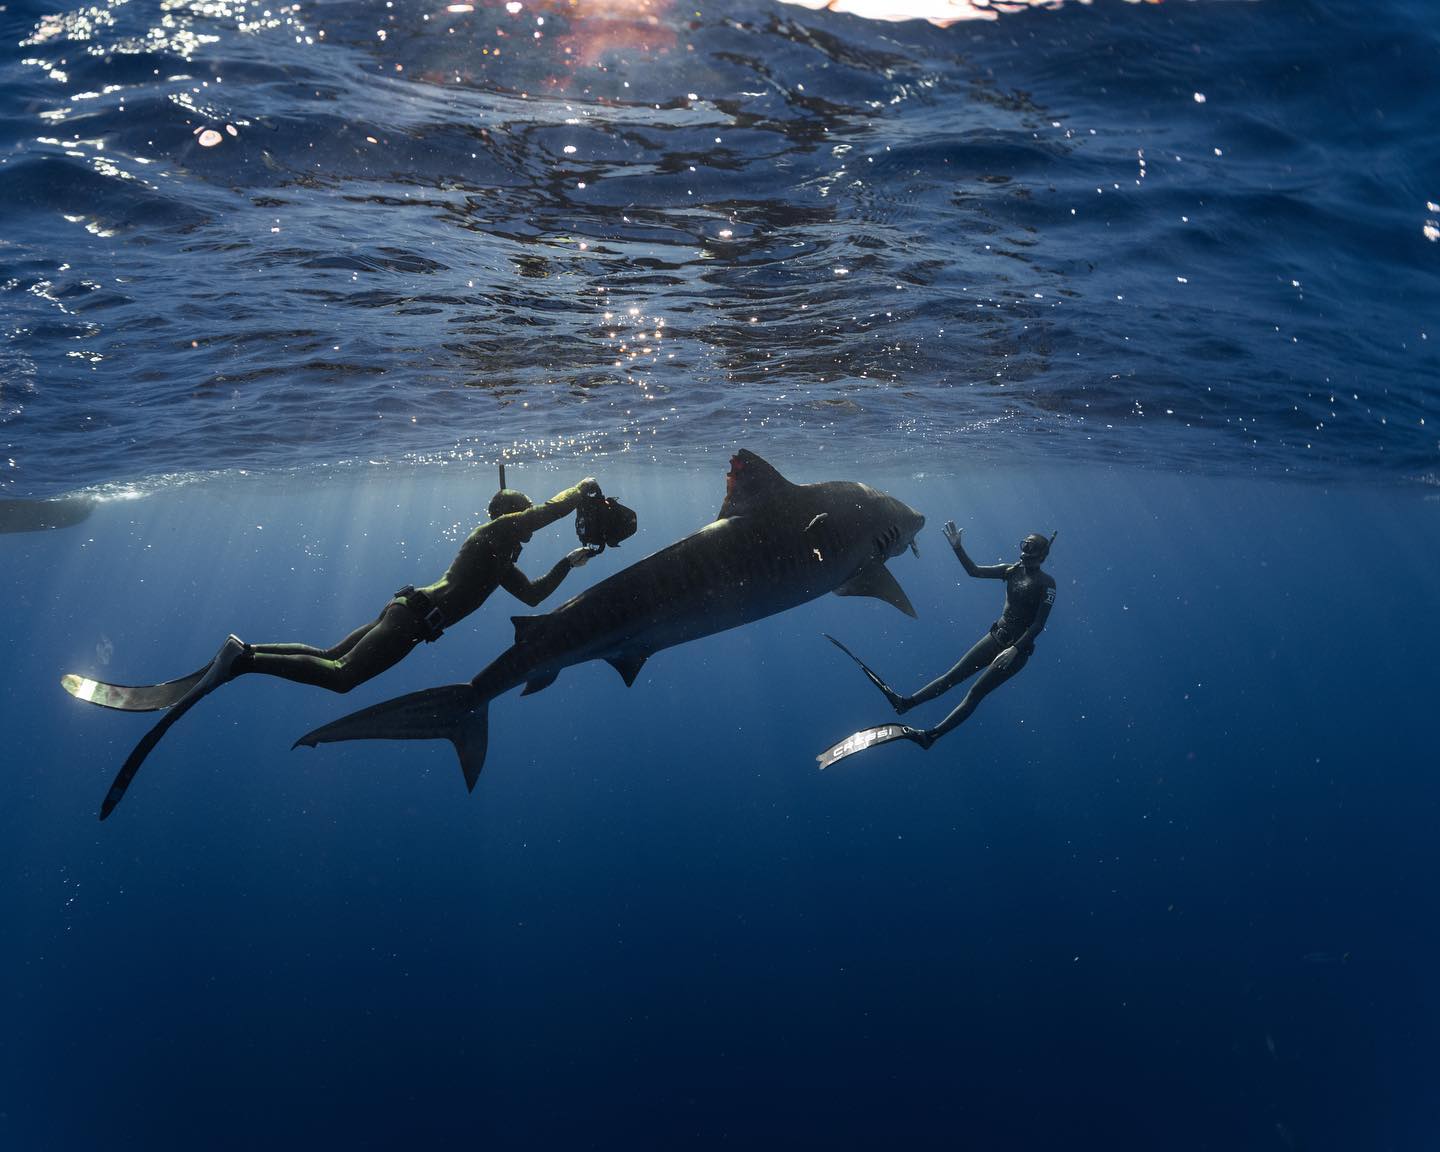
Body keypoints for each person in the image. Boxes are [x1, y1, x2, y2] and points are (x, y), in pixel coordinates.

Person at [221, 478, 604, 692]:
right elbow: (548, 513)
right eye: (523, 515)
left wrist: (567, 563)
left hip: (410, 611)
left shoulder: (498, 559)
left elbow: (533, 595)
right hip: (413, 620)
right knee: (342, 675)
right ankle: (243, 664)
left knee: (330, 653)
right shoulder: (495, 531)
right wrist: (580, 488)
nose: (527, 525)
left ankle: (245, 649)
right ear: (511, 515)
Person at [817, 523, 1056, 768]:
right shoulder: (1011, 570)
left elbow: (1038, 625)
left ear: (1041, 555)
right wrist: (958, 548)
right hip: (996, 636)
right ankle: (905, 703)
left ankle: (930, 735)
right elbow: (973, 571)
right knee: (950, 676)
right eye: (1023, 547)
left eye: (1030, 550)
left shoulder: (1047, 585)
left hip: (1015, 652)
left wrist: (1015, 650)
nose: (1024, 553)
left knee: (975, 693)